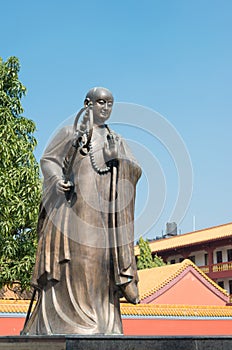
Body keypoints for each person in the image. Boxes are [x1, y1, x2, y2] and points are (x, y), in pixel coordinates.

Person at [22, 87, 142, 335]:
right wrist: (56, 181)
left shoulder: (116, 140)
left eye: (110, 103)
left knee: (103, 262)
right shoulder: (71, 133)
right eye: (100, 102)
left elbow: (134, 170)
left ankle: (104, 323)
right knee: (79, 260)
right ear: (88, 103)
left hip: (105, 214)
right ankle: (73, 321)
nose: (105, 108)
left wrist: (118, 160)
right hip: (74, 208)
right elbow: (49, 160)